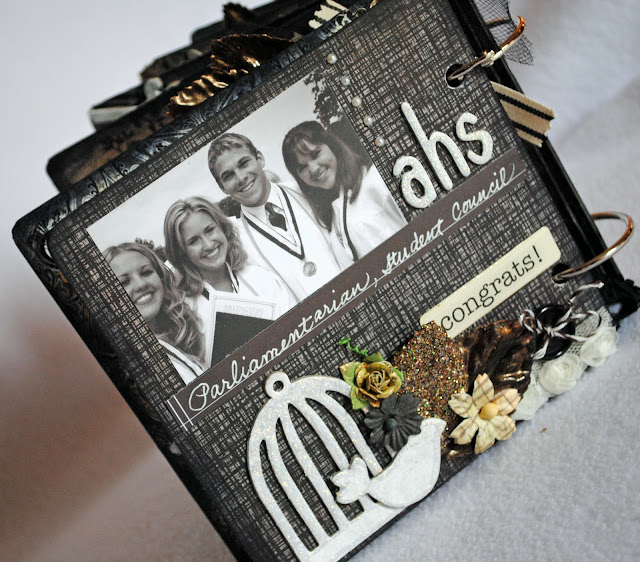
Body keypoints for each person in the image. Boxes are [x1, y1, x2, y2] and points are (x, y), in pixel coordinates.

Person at [207, 132, 350, 301]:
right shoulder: (236, 242)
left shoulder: (307, 190)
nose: (241, 177)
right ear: (222, 187)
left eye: (244, 163)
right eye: (228, 175)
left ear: (260, 159)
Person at [164, 196, 296, 367]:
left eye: (210, 230)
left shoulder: (260, 277)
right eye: (193, 241)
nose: (208, 244)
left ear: (223, 228)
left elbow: (295, 327)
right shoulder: (185, 311)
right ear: (182, 252)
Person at [282, 121, 407, 266]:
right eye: (302, 167)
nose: (313, 169)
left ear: (332, 146)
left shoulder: (375, 181)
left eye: (316, 154)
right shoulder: (332, 222)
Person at [104, 242, 204, 385]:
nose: (141, 284)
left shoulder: (184, 332)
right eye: (124, 282)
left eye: (146, 272)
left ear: (161, 277)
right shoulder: (131, 363)